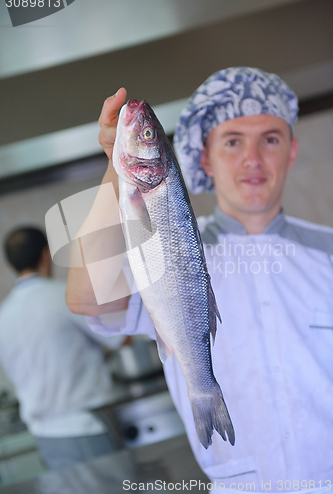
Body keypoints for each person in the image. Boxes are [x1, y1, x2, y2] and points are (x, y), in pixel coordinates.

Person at [66, 68, 333, 491]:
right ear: (203, 156)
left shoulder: (329, 251)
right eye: (232, 141)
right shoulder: (165, 242)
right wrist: (116, 167)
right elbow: (87, 298)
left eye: (270, 139)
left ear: (291, 151)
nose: (252, 159)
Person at [0, 226, 126, 470]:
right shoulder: (64, 296)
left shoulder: (3, 316)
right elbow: (122, 337)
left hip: (44, 438)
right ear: (46, 256)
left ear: (11, 265)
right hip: (85, 427)